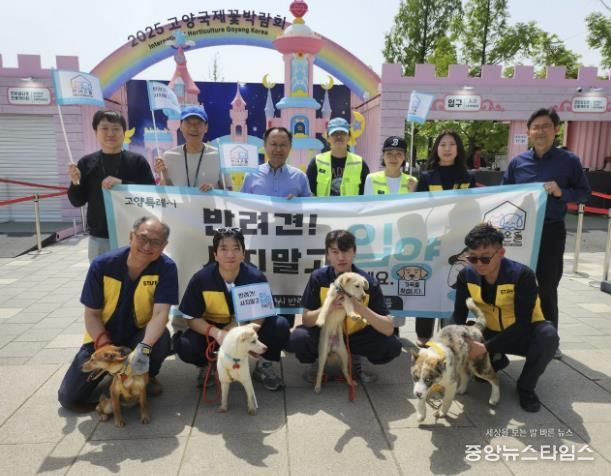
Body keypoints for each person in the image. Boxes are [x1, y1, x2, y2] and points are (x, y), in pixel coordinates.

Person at [58, 217, 178, 412]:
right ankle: (114, 374)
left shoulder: (166, 268)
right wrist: (106, 348)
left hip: (138, 336)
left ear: (163, 246)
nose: (147, 246)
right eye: (142, 238)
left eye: (156, 242)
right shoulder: (102, 265)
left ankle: (146, 376)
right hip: (102, 339)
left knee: (162, 337)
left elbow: (160, 314)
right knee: (69, 399)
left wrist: (144, 349)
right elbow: (92, 315)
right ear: (131, 236)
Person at [502, 108, 591, 358]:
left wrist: (561, 192)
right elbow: (503, 194)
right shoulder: (517, 163)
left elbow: (584, 193)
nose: (540, 131)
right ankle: (514, 335)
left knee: (547, 287)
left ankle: (550, 341)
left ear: (555, 130)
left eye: (545, 126)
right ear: (529, 131)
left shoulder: (569, 161)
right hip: (521, 233)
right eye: (536, 127)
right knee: (514, 284)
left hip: (551, 231)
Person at [453, 223, 559, 412]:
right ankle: (498, 360)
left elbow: (523, 324)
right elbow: (459, 313)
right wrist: (460, 342)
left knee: (548, 337)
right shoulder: (465, 275)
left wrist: (485, 347)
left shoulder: (522, 275)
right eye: (473, 258)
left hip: (523, 333)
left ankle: (526, 387)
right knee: (476, 372)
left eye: (485, 258)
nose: (478, 264)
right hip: (489, 331)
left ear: (501, 253)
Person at [173, 227, 290, 391]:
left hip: (245, 327)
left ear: (243, 253)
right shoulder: (201, 279)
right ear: (215, 254)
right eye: (224, 249)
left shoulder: (255, 277)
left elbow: (261, 315)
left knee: (280, 325)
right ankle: (207, 365)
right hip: (213, 331)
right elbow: (191, 318)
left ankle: (264, 365)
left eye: (236, 249)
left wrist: (242, 332)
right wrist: (217, 333)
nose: (230, 255)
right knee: (186, 345)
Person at [286, 230, 402, 383]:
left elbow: (388, 328)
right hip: (326, 332)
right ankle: (320, 361)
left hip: (357, 334)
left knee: (392, 345)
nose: (341, 257)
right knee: (298, 338)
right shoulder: (318, 278)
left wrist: (359, 307)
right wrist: (329, 307)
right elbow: (307, 320)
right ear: (327, 254)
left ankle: (356, 359)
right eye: (335, 252)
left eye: (346, 251)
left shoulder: (366, 282)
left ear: (354, 252)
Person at [414, 130, 476, 346]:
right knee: (429, 286)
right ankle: (423, 337)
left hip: (459, 243)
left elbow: (474, 208)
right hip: (431, 242)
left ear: (458, 149)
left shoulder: (468, 177)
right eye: (442, 144)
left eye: (451, 144)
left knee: (454, 288)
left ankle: (449, 337)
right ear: (436, 149)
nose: (447, 148)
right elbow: (418, 210)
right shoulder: (426, 176)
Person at [67, 110, 155, 262]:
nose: (110, 133)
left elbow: (150, 195)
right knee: (102, 277)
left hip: (134, 236)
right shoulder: (86, 163)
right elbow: (77, 201)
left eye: (116, 129)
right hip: (99, 238)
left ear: (124, 132)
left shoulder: (137, 162)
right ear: (95, 131)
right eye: (104, 128)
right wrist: (75, 182)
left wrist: (122, 184)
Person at [364, 135, 417, 335]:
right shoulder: (372, 179)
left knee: (397, 285)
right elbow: (366, 209)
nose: (394, 158)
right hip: (378, 240)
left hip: (402, 242)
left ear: (404, 157)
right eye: (389, 153)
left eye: (398, 154)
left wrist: (413, 193)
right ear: (383, 156)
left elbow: (415, 213)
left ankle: (394, 331)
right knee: (378, 285)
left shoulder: (412, 181)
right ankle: (375, 326)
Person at [154, 105, 227, 191]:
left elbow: (229, 191)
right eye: (188, 123)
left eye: (198, 123)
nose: (193, 128)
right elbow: (167, 193)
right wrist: (163, 174)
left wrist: (214, 191)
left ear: (206, 127)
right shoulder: (168, 156)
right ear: (181, 126)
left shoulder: (219, 157)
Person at [241, 127, 311, 198]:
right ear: (265, 146)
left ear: (290, 147)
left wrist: (298, 202)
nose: (278, 149)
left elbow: (308, 203)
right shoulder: (251, 176)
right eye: (273, 144)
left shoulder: (300, 177)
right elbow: (242, 202)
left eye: (283, 145)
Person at [306, 117, 370, 196]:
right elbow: (308, 193)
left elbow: (367, 195)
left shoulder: (360, 163)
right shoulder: (317, 162)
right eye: (334, 133)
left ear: (349, 137)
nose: (339, 137)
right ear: (328, 138)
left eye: (343, 133)